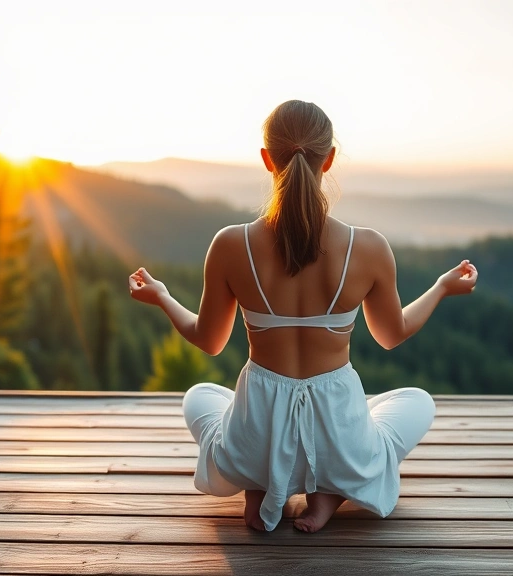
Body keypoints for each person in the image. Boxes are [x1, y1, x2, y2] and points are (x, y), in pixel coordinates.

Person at [128, 100, 477, 533]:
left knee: (200, 394)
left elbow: (210, 341)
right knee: (417, 401)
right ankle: (328, 491)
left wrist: (163, 297)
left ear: (266, 159)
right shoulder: (368, 247)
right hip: (339, 442)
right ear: (328, 159)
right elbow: (392, 334)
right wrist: (441, 287)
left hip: (255, 439)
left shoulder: (230, 244)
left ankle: (260, 485)